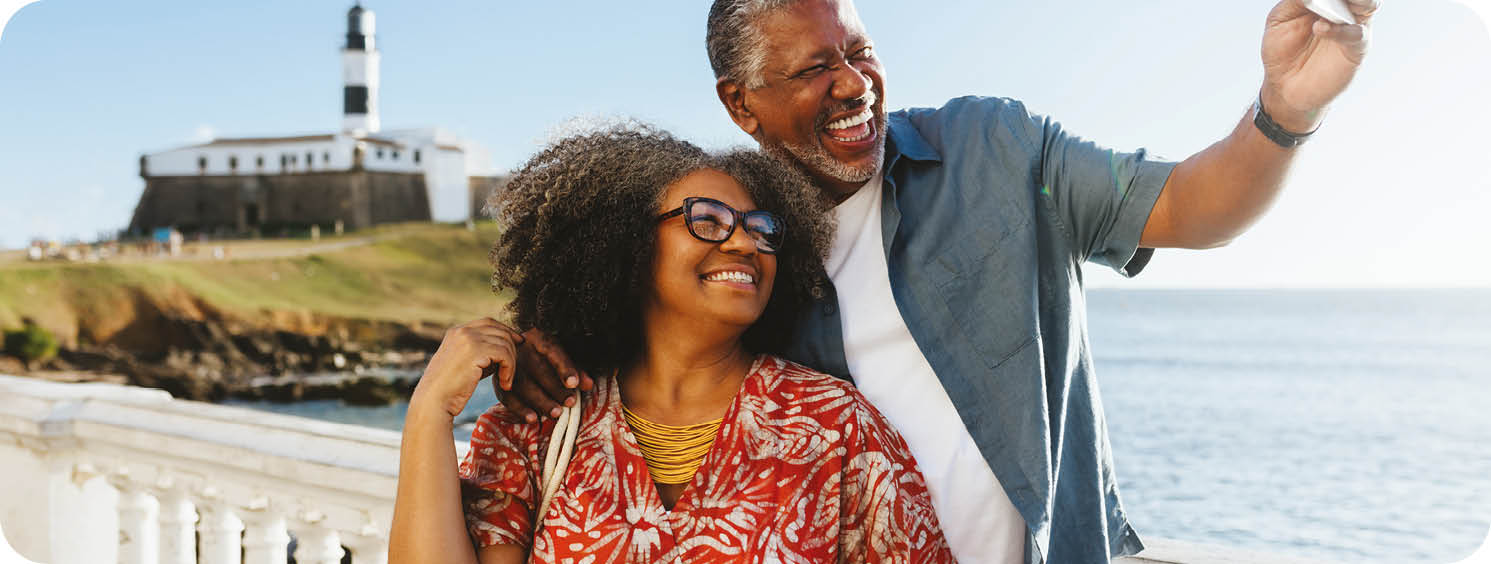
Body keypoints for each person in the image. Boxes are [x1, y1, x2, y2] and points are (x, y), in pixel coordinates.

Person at [494, 0, 1380, 563]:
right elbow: (644, 361)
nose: (854, 83)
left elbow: (1192, 207)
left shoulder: (993, 150)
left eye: (861, 48)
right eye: (812, 68)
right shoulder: (740, 258)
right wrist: (534, 352)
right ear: (740, 105)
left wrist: (1285, 111)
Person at [387, 125, 955, 563]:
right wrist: (429, 411)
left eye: (761, 229)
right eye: (707, 219)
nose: (742, 241)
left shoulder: (835, 429)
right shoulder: (540, 428)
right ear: (628, 245)